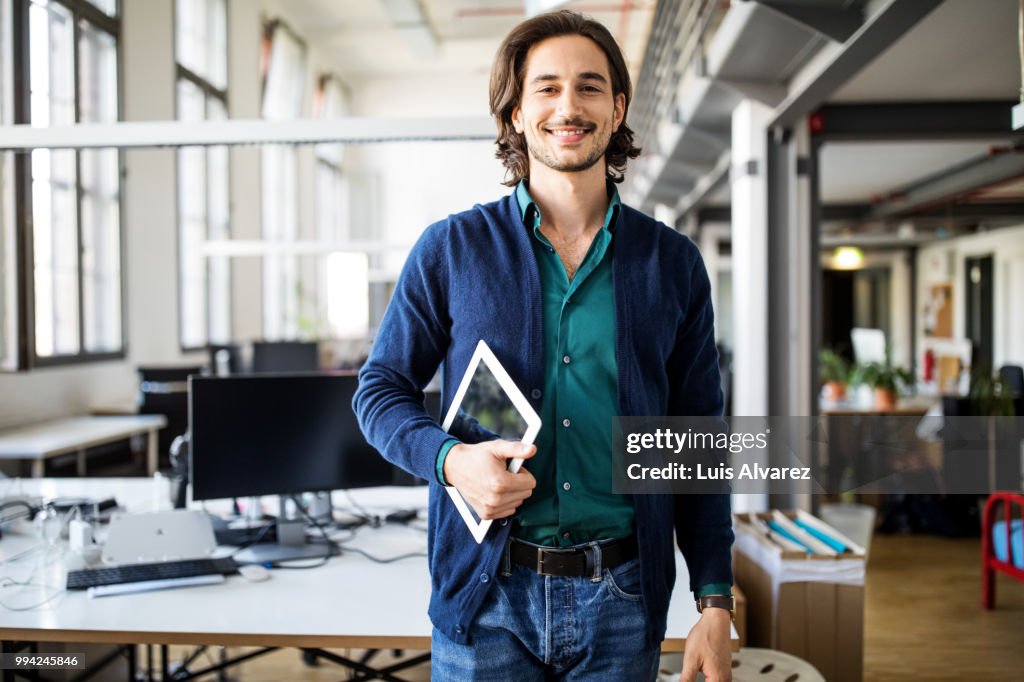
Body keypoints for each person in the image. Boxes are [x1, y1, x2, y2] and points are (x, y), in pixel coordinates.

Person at [354, 10, 733, 681]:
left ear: (617, 110)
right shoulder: (452, 250)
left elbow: (695, 437)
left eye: (590, 88)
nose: (569, 106)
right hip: (486, 595)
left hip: (622, 599)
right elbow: (379, 393)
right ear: (516, 113)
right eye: (547, 88)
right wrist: (452, 462)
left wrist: (713, 598)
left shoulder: (671, 263)